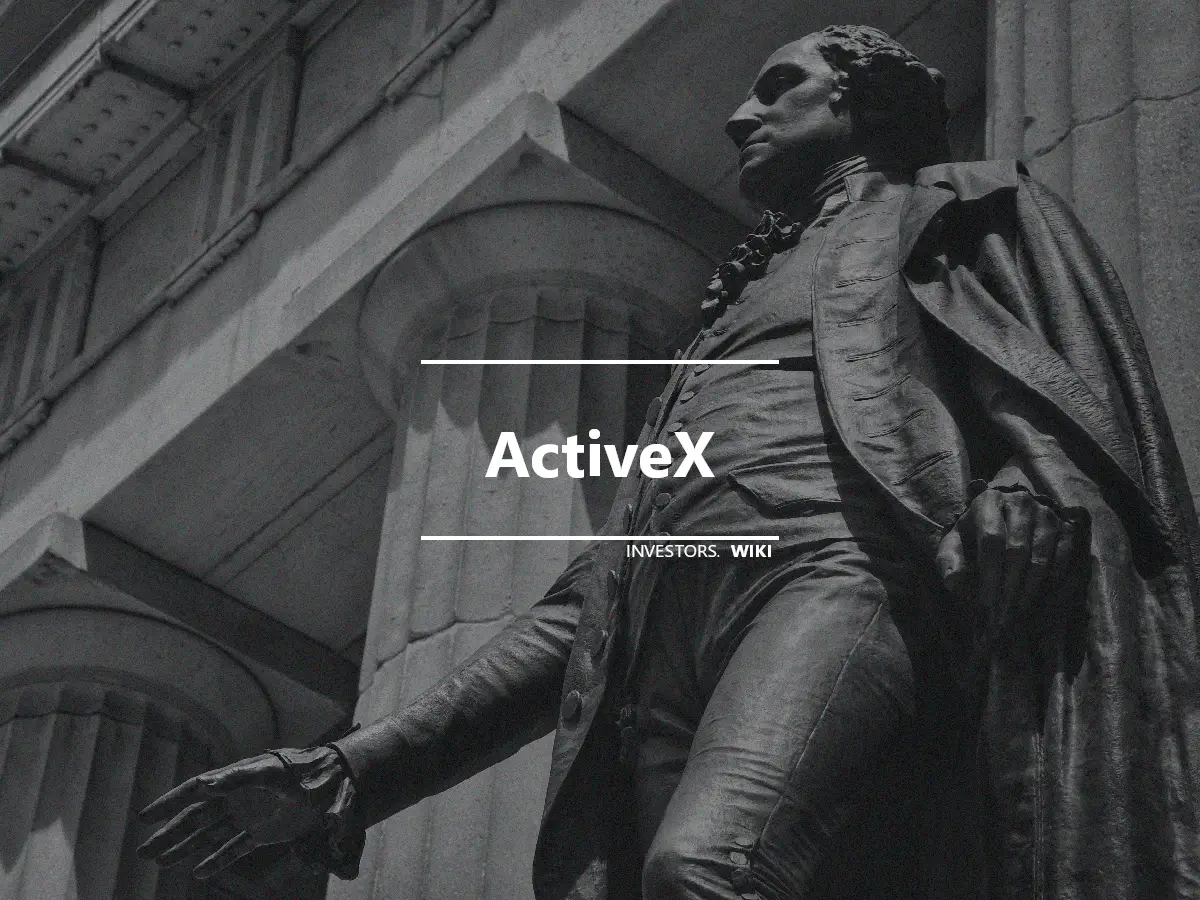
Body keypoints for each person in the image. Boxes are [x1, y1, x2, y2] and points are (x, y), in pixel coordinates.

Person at [136, 25, 1200, 899]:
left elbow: (1071, 401)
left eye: (780, 87)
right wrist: (355, 768)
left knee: (704, 869)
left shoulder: (957, 211)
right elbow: (587, 606)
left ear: (862, 102)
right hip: (664, 641)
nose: (739, 115)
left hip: (836, 570)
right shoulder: (716, 330)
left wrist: (1030, 485)